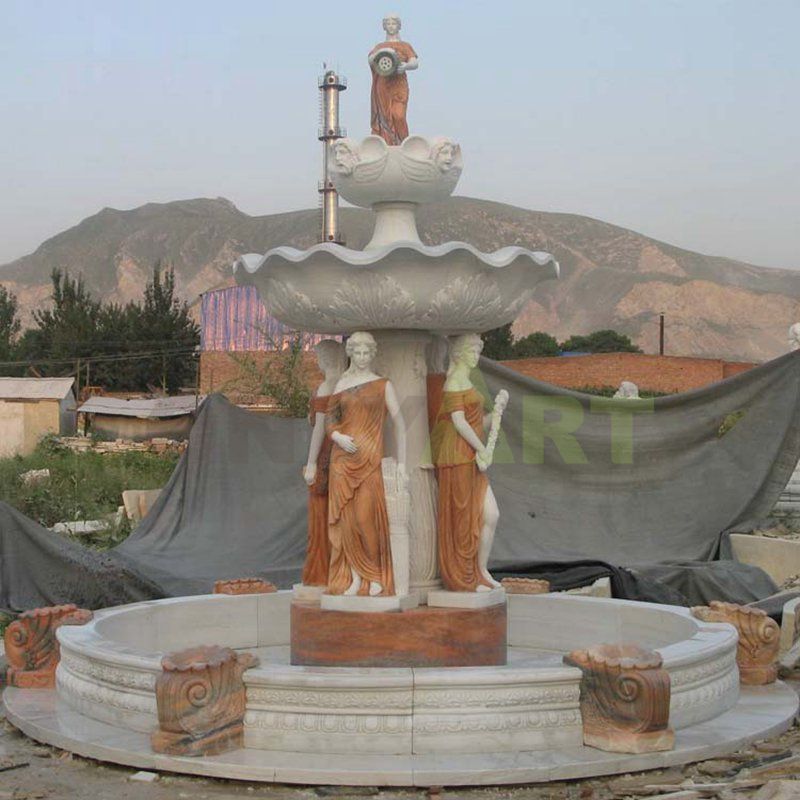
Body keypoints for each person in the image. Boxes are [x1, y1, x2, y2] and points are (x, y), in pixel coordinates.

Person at [326, 331, 407, 596]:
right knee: (347, 523)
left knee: (365, 519)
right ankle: (355, 578)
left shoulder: (383, 385)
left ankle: (375, 576)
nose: (361, 358)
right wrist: (337, 435)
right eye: (357, 353)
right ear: (350, 353)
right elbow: (330, 420)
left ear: (373, 354)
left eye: (366, 353)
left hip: (370, 461)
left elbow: (400, 424)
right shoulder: (341, 384)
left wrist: (403, 464)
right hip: (342, 462)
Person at [432, 334, 507, 592]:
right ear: (459, 354)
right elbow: (459, 422)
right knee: (463, 518)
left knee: (491, 515)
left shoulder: (467, 382)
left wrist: (493, 416)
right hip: (458, 457)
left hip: (472, 457)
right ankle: (464, 575)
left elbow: (474, 423)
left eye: (478, 351)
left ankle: (480, 570)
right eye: (472, 351)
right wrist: (482, 448)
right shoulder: (453, 382)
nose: (476, 355)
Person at [301, 340, 346, 587]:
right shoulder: (348, 384)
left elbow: (319, 429)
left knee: (321, 516)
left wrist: (311, 463)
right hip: (346, 454)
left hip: (327, 455)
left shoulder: (327, 386)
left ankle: (323, 572)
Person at [368, 14, 418, 146]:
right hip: (383, 85)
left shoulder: (405, 46)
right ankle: (387, 143)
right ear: (384, 26)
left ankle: (403, 144)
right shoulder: (379, 46)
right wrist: (382, 52)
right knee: (385, 116)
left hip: (399, 84)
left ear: (399, 26)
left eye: (394, 23)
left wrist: (406, 66)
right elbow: (370, 60)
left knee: (398, 115)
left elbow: (414, 62)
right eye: (388, 24)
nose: (391, 26)